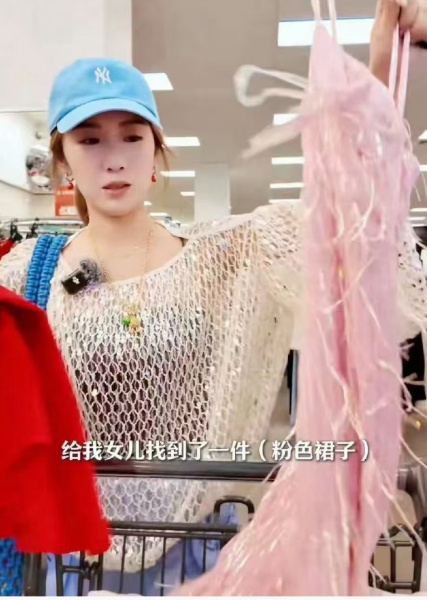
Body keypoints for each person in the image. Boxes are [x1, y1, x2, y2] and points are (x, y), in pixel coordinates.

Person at [0, 0, 426, 594]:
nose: (114, 156)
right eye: (89, 138)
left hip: (196, 547)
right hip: (66, 556)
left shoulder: (228, 256)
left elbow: (350, 220)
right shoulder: (26, 273)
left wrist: (383, 61)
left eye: (132, 135)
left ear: (156, 153)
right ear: (63, 158)